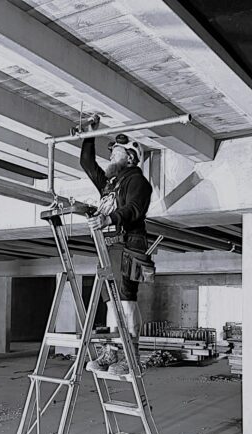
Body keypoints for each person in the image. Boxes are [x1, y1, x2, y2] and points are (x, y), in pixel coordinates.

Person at [78, 121, 151, 375]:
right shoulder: (110, 185)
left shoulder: (137, 182)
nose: (110, 156)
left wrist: (107, 219)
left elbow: (134, 210)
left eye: (116, 152)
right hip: (109, 245)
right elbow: (87, 164)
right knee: (110, 303)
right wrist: (89, 135)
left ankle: (133, 358)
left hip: (129, 243)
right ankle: (112, 352)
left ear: (130, 157)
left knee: (126, 300)